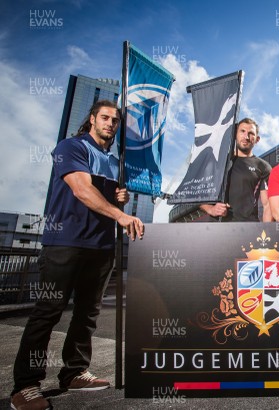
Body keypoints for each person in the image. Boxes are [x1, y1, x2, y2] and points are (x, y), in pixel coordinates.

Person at [10, 100, 144, 410]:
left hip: (100, 247)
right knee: (48, 312)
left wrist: (119, 200)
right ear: (93, 119)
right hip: (65, 243)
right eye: (105, 117)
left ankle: (74, 372)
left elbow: (106, 202)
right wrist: (121, 216)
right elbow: (82, 191)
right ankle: (26, 386)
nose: (110, 123)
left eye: (115, 120)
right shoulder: (71, 147)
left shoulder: (113, 162)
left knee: (87, 314)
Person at [199, 118, 272, 222]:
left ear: (257, 139)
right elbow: (199, 192)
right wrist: (211, 209)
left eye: (251, 133)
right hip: (218, 228)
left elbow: (267, 205)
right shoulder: (218, 161)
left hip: (248, 228)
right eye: (242, 131)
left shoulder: (263, 167)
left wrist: (266, 232)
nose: (246, 137)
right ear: (235, 134)